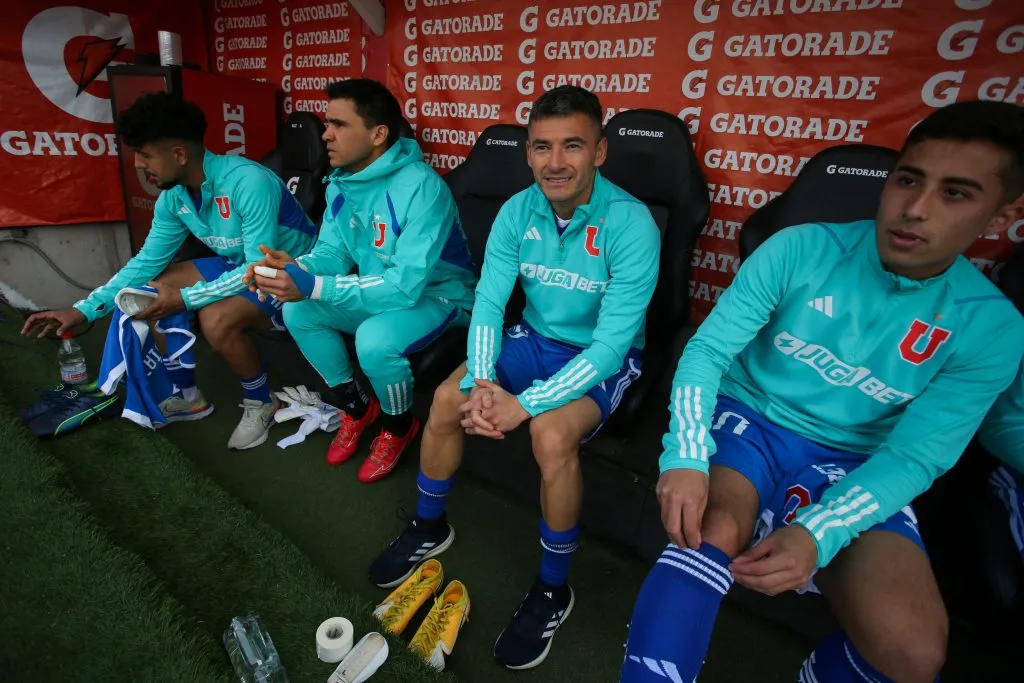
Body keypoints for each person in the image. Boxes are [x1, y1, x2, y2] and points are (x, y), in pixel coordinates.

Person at [621, 99, 1024, 683]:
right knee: (706, 532)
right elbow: (707, 353)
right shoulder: (801, 247)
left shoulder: (992, 327)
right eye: (908, 180)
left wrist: (819, 530)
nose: (915, 208)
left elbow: (915, 457)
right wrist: (684, 454)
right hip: (751, 420)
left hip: (855, 459)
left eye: (955, 193)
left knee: (913, 653)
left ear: (1001, 213)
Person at [366, 85, 661, 670]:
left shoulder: (633, 224)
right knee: (447, 399)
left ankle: (553, 589)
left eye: (572, 146)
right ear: (527, 153)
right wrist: (481, 383)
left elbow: (609, 347)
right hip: (534, 338)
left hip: (602, 355)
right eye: (542, 147)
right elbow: (489, 305)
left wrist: (526, 405)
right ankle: (429, 526)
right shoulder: (516, 211)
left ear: (600, 151)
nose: (556, 162)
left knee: (550, 434)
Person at [21, 92, 316, 450]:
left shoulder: (248, 181)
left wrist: (186, 299)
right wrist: (82, 310)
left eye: (145, 154)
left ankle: (262, 402)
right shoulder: (174, 197)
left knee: (215, 319)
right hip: (241, 266)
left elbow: (257, 269)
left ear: (179, 154)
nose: (138, 164)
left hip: (290, 275)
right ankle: (188, 397)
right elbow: (146, 261)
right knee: (149, 290)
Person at [246, 79, 477, 483]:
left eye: (338, 124)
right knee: (299, 311)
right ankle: (356, 407)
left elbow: (404, 286)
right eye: (326, 124)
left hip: (442, 297)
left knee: (374, 339)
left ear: (378, 134)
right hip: (385, 291)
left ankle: (399, 426)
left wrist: (315, 285)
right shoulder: (342, 183)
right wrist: (293, 268)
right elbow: (332, 255)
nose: (325, 135)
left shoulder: (423, 187)